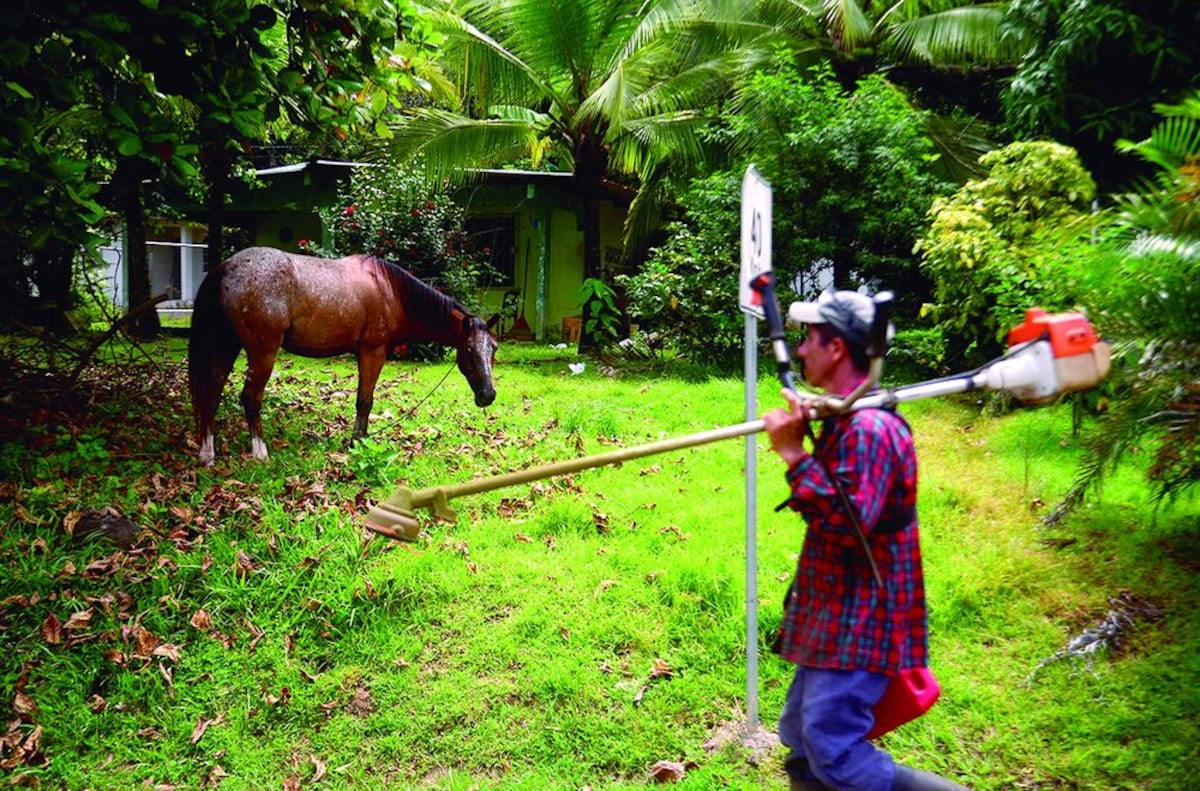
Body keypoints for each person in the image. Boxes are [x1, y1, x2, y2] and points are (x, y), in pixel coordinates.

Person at [761, 290, 966, 791]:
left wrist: (792, 453)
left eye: (810, 339)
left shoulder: (869, 429)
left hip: (861, 618)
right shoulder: (848, 417)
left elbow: (848, 522)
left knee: (833, 748)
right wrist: (816, 426)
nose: (801, 350)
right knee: (803, 743)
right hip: (833, 611)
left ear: (835, 349)